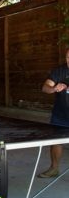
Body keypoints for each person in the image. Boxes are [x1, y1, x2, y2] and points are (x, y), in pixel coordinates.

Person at [38, 48, 69, 178]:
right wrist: (54, 88)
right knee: (56, 141)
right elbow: (45, 87)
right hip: (61, 114)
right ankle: (54, 168)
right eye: (68, 57)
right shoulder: (59, 71)